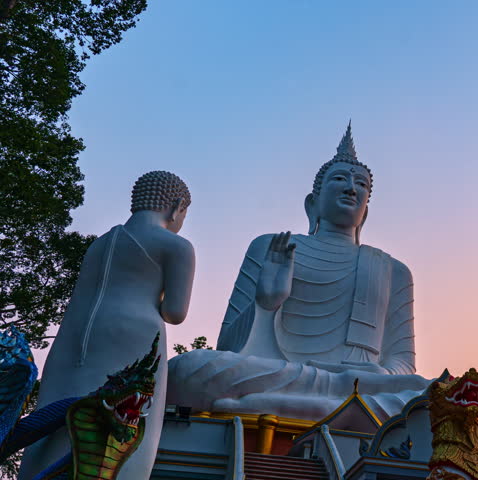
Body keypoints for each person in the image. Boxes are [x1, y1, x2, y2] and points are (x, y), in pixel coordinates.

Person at [167, 124, 429, 421]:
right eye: (340, 179)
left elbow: (403, 364)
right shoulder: (271, 246)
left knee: (430, 395)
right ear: (312, 202)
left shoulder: (393, 270)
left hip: (363, 382)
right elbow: (229, 346)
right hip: (286, 375)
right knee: (188, 369)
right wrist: (266, 304)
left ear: (365, 211)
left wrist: (381, 374)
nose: (351, 189)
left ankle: (293, 403)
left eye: (362, 185)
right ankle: (342, 408)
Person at [21, 171, 195, 480]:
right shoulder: (176, 246)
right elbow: (175, 312)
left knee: (56, 412)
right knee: (123, 424)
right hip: (136, 337)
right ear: (176, 206)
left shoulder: (99, 245)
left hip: (73, 337)